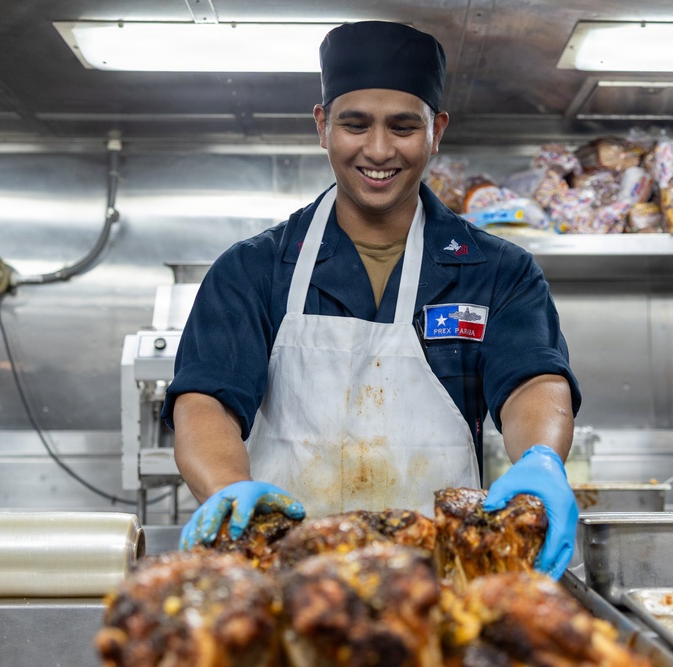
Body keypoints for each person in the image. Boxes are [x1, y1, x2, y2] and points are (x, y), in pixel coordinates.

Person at [160, 20, 582, 579]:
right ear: (322, 125)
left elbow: (532, 380)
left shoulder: (499, 271)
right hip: (284, 579)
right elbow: (204, 401)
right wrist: (228, 490)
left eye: (403, 127)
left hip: (441, 582)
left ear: (437, 131)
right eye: (355, 125)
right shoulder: (253, 269)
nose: (378, 150)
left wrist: (540, 459)